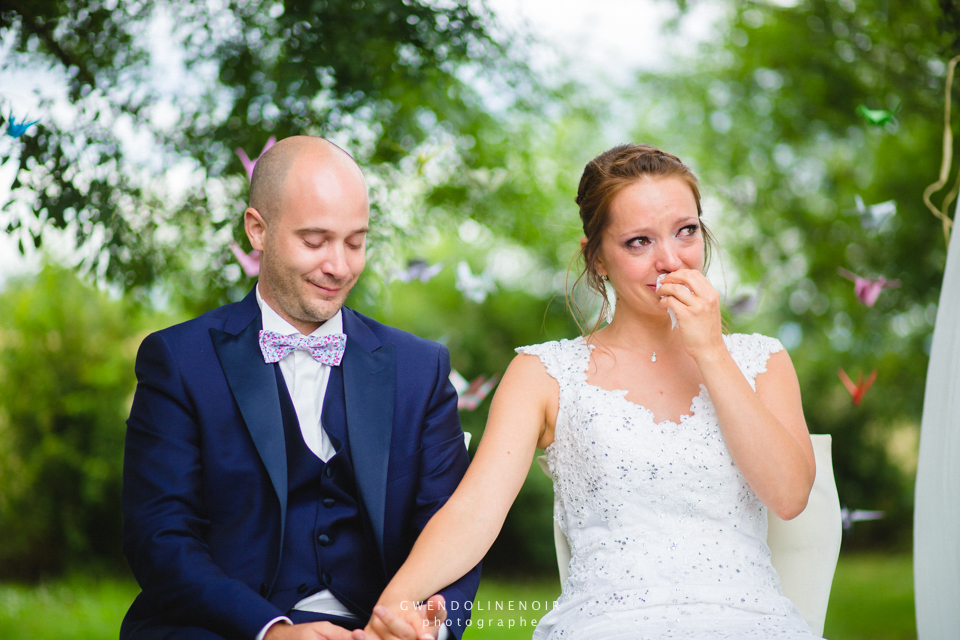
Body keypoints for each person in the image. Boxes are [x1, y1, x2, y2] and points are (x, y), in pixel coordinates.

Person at [364, 143, 822, 640]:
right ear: (598, 258)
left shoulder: (763, 360)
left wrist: (711, 351)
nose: (670, 260)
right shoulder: (543, 375)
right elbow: (474, 514)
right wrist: (390, 607)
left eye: (686, 232)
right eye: (638, 242)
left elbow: (789, 495)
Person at [120, 136, 480, 640]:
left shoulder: (420, 368)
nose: (340, 265)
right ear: (257, 230)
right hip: (224, 628)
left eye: (356, 242)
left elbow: (454, 527)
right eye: (315, 241)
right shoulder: (180, 360)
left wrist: (424, 625)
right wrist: (271, 630)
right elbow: (160, 537)